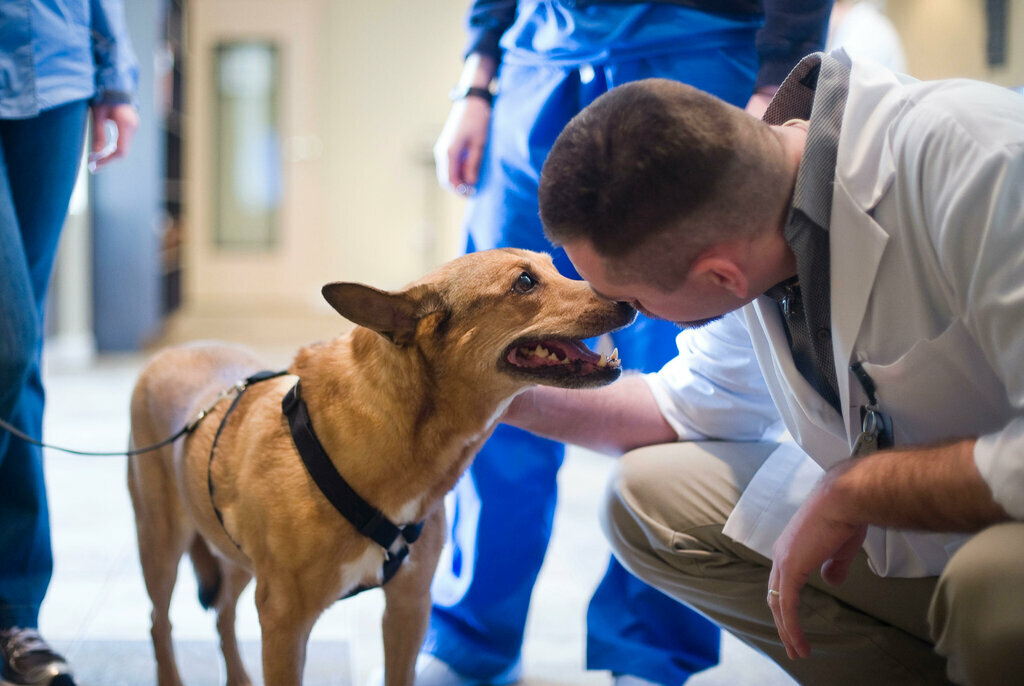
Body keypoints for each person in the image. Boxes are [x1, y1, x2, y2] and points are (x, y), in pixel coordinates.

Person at [499, 47, 1024, 685]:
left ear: (719, 273)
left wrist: (858, 489)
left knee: (993, 594)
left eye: (633, 300)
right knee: (650, 498)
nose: (627, 314)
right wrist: (496, 388)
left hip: (999, 525)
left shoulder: (983, 162)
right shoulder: (761, 214)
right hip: (926, 525)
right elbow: (682, 408)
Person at [426, 2, 833, 684]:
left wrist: (775, 76)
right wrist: (478, 76)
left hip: (703, 46)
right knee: (497, 346)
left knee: (689, 366)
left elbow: (706, 402)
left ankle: (652, 651)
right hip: (538, 59)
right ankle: (472, 636)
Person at [0, 1, 139, 684]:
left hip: (52, 70)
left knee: (17, 361)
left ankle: (14, 610)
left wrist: (116, 76)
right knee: (6, 341)